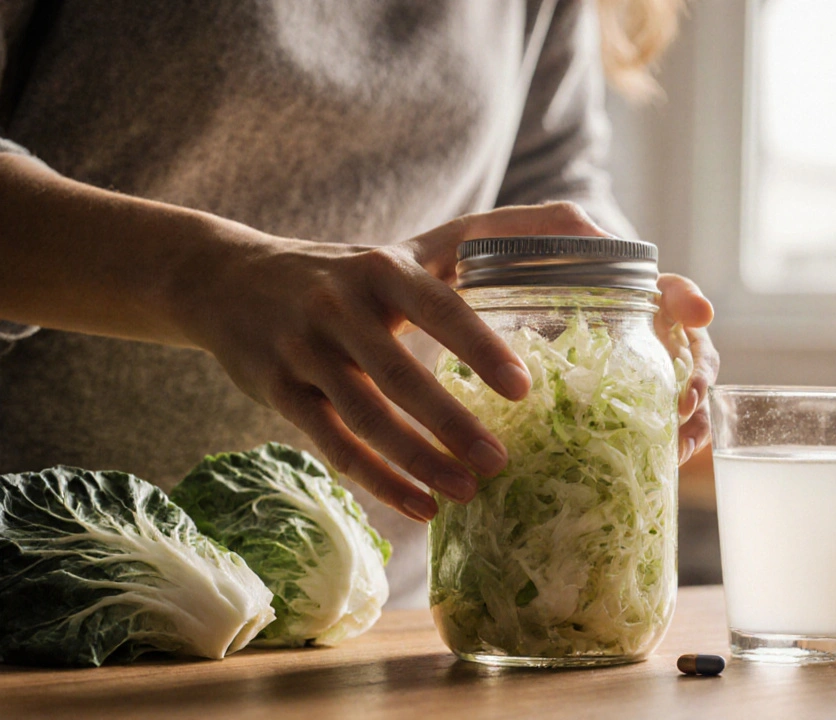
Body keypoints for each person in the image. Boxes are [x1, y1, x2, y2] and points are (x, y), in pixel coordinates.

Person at [0, 0, 717, 606]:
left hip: (386, 608)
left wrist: (621, 304)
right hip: (49, 586)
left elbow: (549, 172)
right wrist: (207, 274)